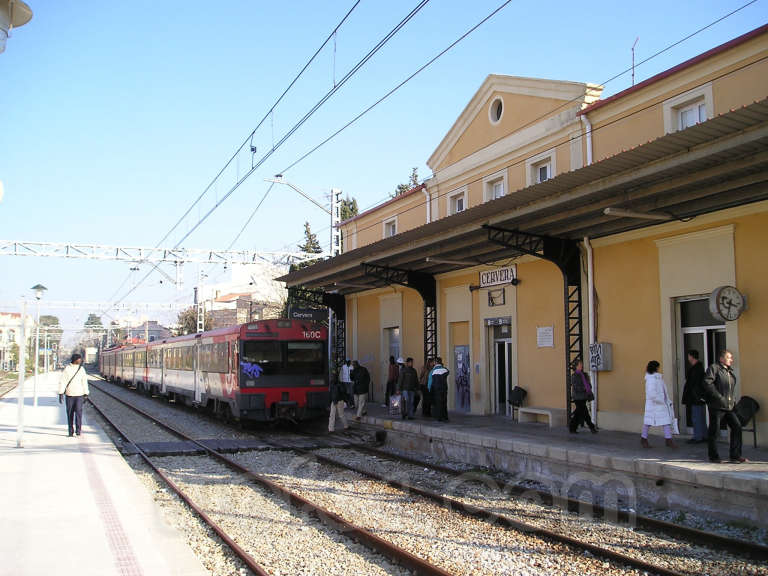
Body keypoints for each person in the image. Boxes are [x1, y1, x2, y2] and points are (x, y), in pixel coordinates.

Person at [701, 349, 745, 463]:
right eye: (729, 357)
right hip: (717, 406)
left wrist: (733, 401)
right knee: (714, 431)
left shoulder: (729, 371)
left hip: (729, 406)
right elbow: (707, 383)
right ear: (721, 359)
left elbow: (730, 389)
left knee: (737, 426)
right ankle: (713, 456)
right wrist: (719, 397)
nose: (731, 360)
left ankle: (735, 455)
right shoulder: (714, 368)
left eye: (731, 358)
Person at [640, 360, 676, 448]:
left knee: (666, 421)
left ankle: (668, 439)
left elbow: (663, 391)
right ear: (655, 367)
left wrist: (666, 400)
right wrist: (661, 400)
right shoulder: (652, 379)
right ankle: (644, 439)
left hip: (660, 404)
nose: (659, 368)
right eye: (658, 367)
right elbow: (652, 394)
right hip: (655, 405)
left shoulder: (657, 378)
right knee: (648, 422)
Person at [58, 353, 89, 437]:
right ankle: (70, 431)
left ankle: (78, 431)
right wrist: (61, 393)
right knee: (70, 413)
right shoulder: (67, 369)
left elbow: (84, 382)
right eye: (79, 359)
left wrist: (86, 393)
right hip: (70, 394)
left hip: (79, 394)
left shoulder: (81, 369)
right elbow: (63, 381)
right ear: (75, 360)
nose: (80, 360)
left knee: (79, 413)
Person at [681, 350, 707, 444]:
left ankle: (698, 437)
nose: (688, 358)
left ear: (692, 357)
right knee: (700, 416)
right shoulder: (698, 367)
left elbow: (693, 384)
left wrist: (694, 395)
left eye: (689, 356)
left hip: (695, 397)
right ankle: (703, 435)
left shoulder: (696, 369)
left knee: (696, 417)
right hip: (698, 397)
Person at [569, 360, 597, 434]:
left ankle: (572, 428)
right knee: (585, 413)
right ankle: (592, 427)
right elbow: (576, 387)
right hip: (578, 397)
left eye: (581, 364)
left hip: (584, 396)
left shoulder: (584, 374)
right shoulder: (574, 376)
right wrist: (584, 388)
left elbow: (588, 383)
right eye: (579, 364)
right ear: (576, 366)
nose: (581, 365)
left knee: (578, 413)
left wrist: (589, 386)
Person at [429, 357, 450, 422]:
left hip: (436, 389)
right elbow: (448, 372)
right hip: (444, 388)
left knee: (438, 403)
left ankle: (439, 417)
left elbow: (430, 381)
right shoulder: (445, 369)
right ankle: (445, 416)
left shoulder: (433, 371)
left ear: (436, 362)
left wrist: (429, 389)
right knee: (444, 402)